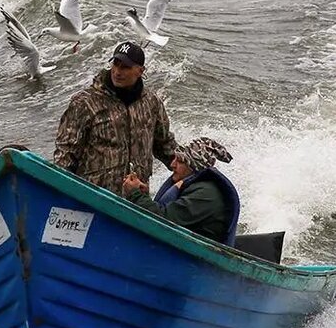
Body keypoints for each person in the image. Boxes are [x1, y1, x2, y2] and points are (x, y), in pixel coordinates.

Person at [54, 41, 177, 194]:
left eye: (125, 67)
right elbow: (65, 153)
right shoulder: (85, 102)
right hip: (93, 196)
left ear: (140, 71)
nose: (117, 72)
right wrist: (60, 191)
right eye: (115, 64)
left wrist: (190, 170)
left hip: (136, 199)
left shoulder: (151, 103)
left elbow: (164, 145)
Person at [122, 137, 240, 245]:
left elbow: (161, 221)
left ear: (194, 165)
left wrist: (135, 194)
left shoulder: (205, 194)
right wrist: (142, 194)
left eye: (180, 161)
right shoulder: (195, 186)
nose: (172, 164)